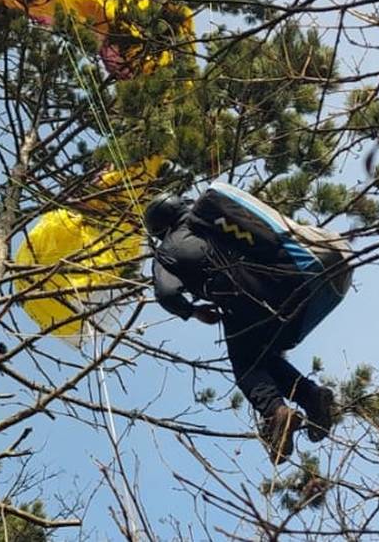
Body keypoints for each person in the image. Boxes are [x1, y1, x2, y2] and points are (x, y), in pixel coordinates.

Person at [144, 193, 336, 464]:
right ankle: (311, 396)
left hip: (239, 302)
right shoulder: (208, 214)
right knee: (263, 357)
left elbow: (165, 294)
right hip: (278, 285)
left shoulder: (165, 252)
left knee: (247, 366)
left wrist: (193, 311)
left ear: (158, 227)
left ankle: (276, 412)